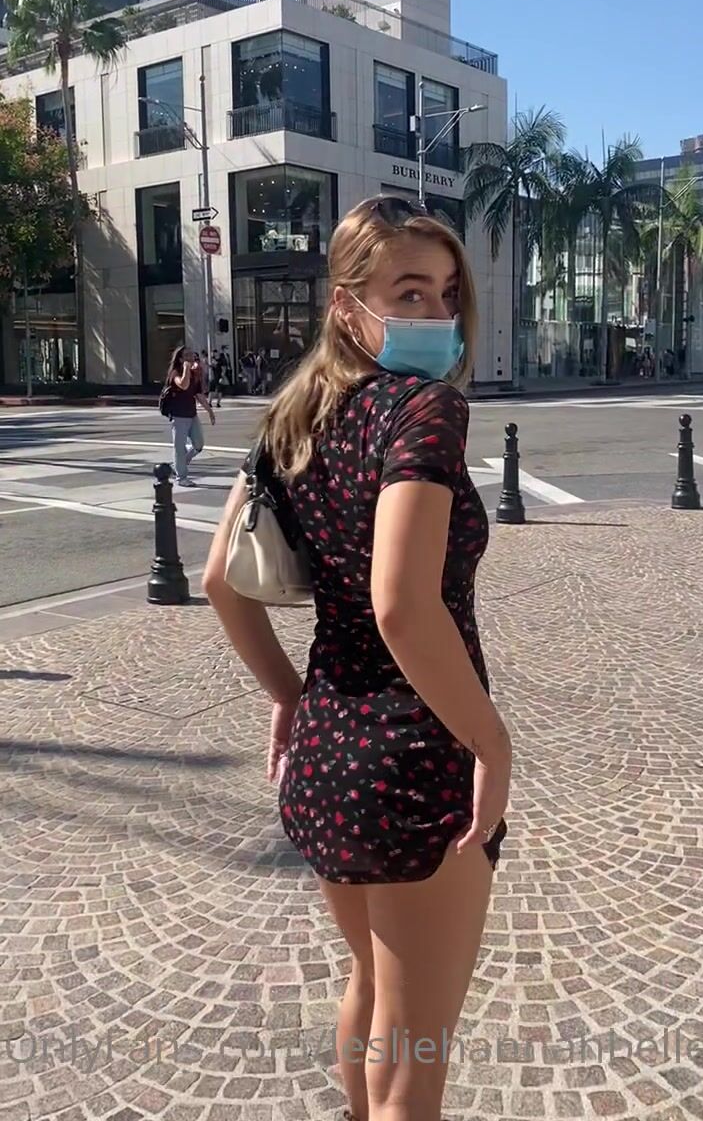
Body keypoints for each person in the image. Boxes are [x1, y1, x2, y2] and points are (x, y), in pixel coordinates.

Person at [203, 196, 512, 1121]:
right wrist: (491, 742)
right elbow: (402, 606)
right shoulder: (423, 408)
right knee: (417, 1050)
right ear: (348, 305)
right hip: (416, 758)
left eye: (447, 293)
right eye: (409, 292)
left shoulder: (295, 416)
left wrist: (289, 696)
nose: (436, 315)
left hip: (328, 752)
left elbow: (220, 579)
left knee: (373, 986)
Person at [165, 345, 215, 487]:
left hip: (192, 414)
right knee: (179, 447)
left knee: (198, 444)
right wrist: (186, 369)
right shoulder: (175, 373)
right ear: (180, 359)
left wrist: (210, 411)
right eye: (187, 355)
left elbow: (198, 394)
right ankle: (181, 477)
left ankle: (178, 464)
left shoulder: (194, 374)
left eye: (192, 355)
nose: (191, 357)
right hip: (178, 415)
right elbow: (183, 385)